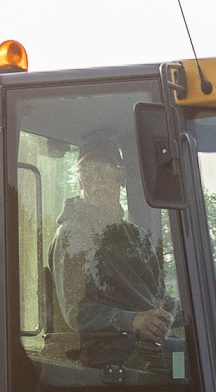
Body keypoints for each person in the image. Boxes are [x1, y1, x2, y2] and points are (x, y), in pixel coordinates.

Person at [50, 131, 177, 373]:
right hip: (105, 356)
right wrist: (134, 321)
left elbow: (159, 297)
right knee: (183, 363)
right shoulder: (73, 235)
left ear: (120, 178)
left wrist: (204, 311)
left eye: (106, 172)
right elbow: (76, 313)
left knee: (202, 353)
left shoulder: (137, 236)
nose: (97, 181)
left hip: (145, 346)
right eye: (88, 174)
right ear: (80, 182)